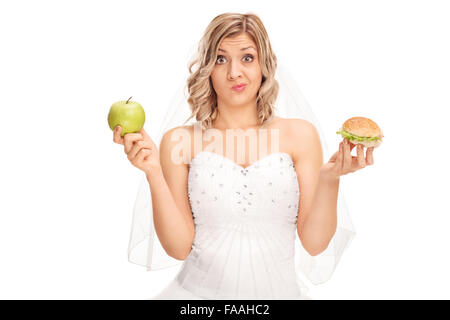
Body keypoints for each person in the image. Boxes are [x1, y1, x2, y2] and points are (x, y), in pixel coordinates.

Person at [112, 12, 375, 300]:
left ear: (265, 63)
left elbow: (314, 243)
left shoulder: (300, 136)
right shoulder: (180, 141)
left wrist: (330, 178)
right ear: (207, 69)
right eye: (221, 59)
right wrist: (153, 172)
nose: (234, 72)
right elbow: (178, 247)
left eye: (247, 57)